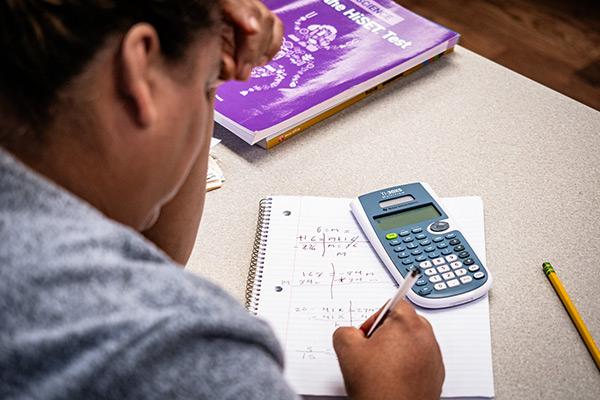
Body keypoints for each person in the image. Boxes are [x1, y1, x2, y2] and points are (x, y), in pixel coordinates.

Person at [0, 1, 444, 399]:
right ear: (140, 66)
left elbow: (154, 252)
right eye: (210, 82)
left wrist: (194, 57)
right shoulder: (177, 356)